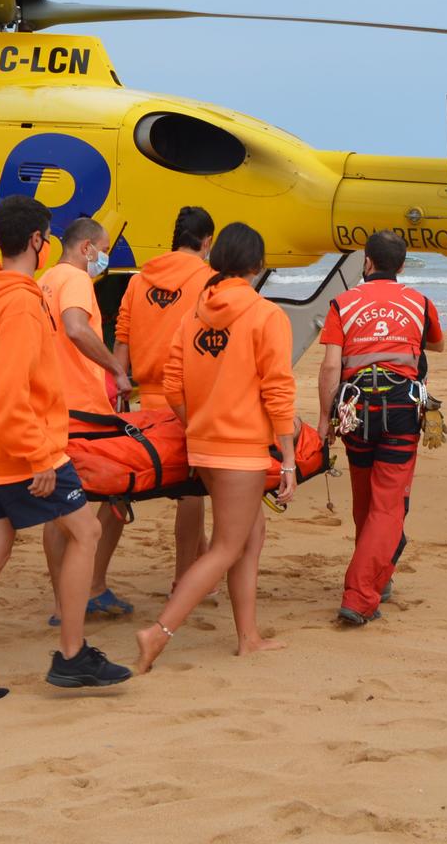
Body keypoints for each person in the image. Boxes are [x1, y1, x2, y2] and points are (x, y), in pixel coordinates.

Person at [0, 195, 132, 709]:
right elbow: (9, 389)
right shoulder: (20, 302)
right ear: (37, 241)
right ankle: (71, 654)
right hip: (21, 449)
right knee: (86, 531)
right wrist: (40, 457)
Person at [136, 223, 298, 671]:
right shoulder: (266, 315)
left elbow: (173, 385)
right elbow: (278, 390)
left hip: (204, 444)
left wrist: (198, 424)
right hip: (241, 448)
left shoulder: (194, 314)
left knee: (251, 535)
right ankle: (157, 633)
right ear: (259, 265)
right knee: (227, 545)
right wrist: (288, 459)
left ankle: (248, 636)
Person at [316, 230, 444, 625]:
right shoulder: (419, 302)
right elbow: (436, 345)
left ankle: (377, 575)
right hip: (401, 412)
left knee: (365, 500)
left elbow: (330, 367)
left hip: (356, 413)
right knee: (388, 504)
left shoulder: (343, 303)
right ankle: (360, 595)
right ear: (401, 265)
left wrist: (325, 420)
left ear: (366, 262)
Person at [38, 216, 135, 619]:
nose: (105, 257)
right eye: (104, 248)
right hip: (80, 409)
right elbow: (76, 329)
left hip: (53, 405)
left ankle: (68, 597)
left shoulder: (45, 279)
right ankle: (85, 591)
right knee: (118, 490)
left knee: (61, 507)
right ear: (86, 248)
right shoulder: (76, 280)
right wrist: (116, 368)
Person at [114, 206, 216, 582]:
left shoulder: (139, 280)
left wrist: (117, 384)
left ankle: (95, 578)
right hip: (189, 399)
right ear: (207, 242)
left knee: (121, 492)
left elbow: (122, 338)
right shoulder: (209, 280)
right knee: (191, 493)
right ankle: (185, 578)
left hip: (143, 400)